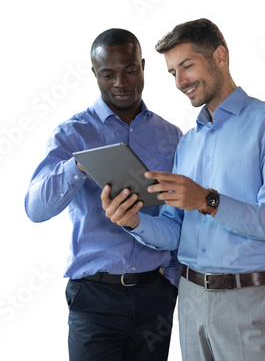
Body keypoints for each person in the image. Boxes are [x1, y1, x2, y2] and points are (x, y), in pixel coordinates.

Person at [102, 18, 265, 361]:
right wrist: (133, 222)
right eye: (172, 73)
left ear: (220, 57)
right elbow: (175, 231)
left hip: (248, 301)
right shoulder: (188, 143)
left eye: (187, 66)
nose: (181, 81)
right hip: (192, 299)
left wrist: (209, 202)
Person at [24, 28, 182, 361]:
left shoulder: (170, 136)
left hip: (155, 297)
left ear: (142, 66)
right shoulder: (72, 133)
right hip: (95, 298)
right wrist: (78, 166)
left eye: (129, 70)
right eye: (108, 73)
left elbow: (184, 217)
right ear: (94, 73)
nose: (120, 82)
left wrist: (171, 282)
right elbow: (36, 208)